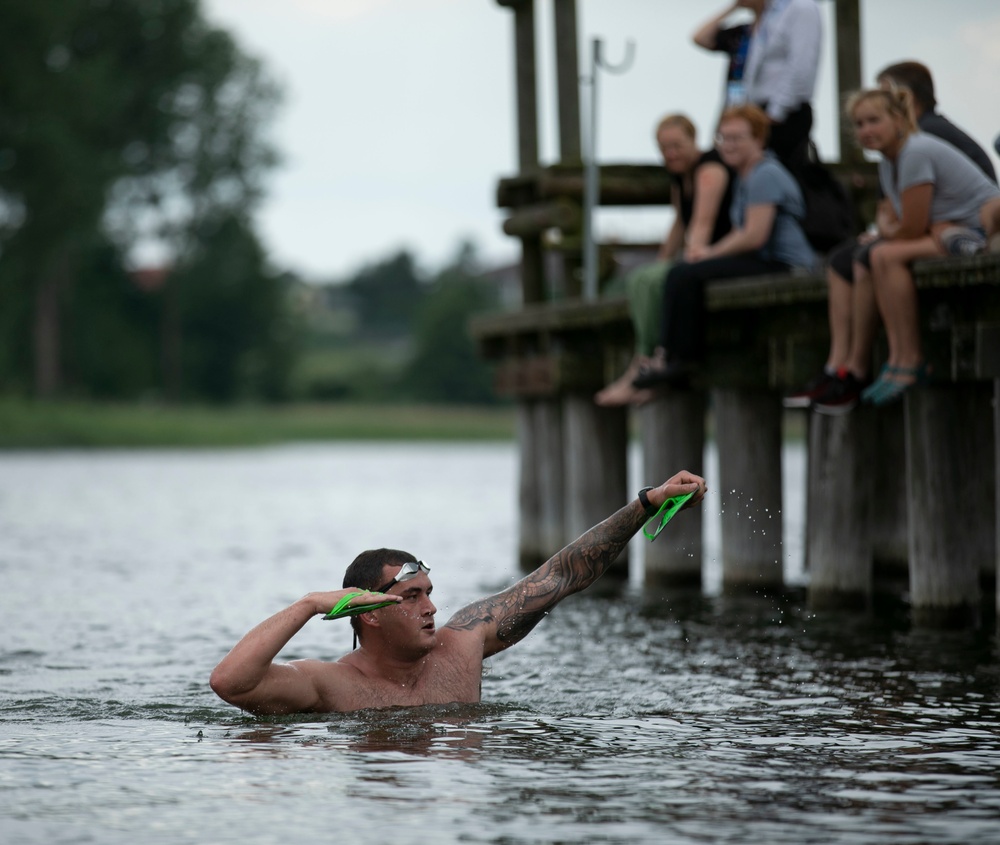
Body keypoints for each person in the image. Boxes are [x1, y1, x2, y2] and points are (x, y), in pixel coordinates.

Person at [209, 470, 708, 715]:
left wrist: (647, 503)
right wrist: (309, 606)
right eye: (410, 597)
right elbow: (231, 683)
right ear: (369, 614)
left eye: (428, 592)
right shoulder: (326, 685)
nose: (430, 607)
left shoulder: (462, 645)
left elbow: (560, 576)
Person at [784, 63, 1000, 413]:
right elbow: (897, 220)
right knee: (877, 255)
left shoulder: (914, 152)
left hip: (972, 229)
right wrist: (888, 228)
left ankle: (909, 357)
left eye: (874, 121)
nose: (866, 130)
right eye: (859, 124)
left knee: (885, 254)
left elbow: (906, 227)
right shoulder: (890, 160)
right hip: (942, 229)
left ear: (899, 120)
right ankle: (892, 359)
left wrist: (886, 230)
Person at [632, 105, 815, 388]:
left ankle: (677, 357)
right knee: (684, 273)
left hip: (788, 265)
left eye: (736, 138)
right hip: (764, 258)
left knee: (685, 274)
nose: (728, 146)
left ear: (758, 139)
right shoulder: (745, 175)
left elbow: (754, 235)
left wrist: (709, 253)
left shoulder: (765, 174)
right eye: (723, 138)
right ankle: (668, 355)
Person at [595, 114, 735, 406]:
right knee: (641, 279)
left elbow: (702, 222)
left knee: (662, 279)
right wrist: (663, 259)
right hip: (698, 253)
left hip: (719, 252)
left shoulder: (709, 168)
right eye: (663, 148)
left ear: (693, 139)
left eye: (676, 145)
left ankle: (650, 360)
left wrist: (688, 258)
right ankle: (645, 358)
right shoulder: (679, 175)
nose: (670, 154)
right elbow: (679, 222)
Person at [693, 0, 822, 172]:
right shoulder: (767, 18)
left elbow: (801, 65)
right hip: (759, 112)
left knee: (776, 175)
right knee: (751, 175)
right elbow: (700, 38)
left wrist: (775, 113)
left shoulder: (801, 7)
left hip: (780, 115)